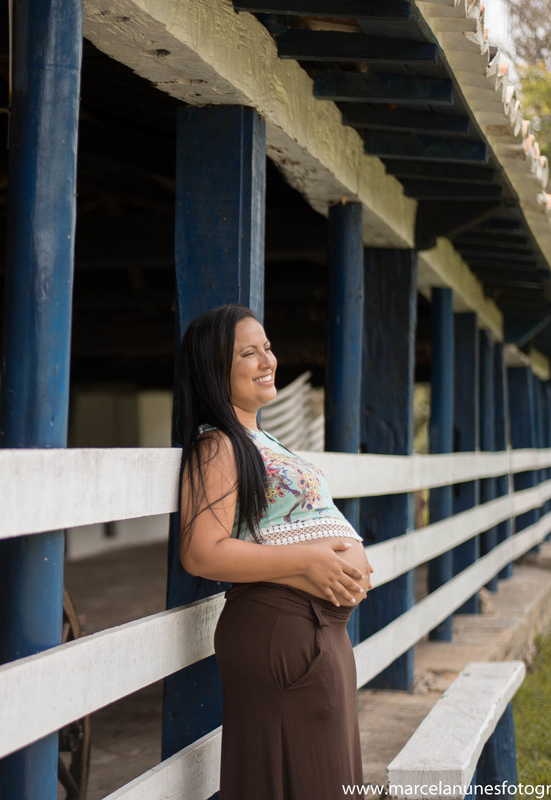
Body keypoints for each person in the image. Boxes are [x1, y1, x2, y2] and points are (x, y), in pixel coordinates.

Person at [176, 303, 373, 799]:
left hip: (316, 630)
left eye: (267, 347)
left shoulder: (261, 438)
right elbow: (202, 552)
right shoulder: (218, 445)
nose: (268, 360)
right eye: (249, 352)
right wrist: (308, 560)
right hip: (282, 628)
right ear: (214, 368)